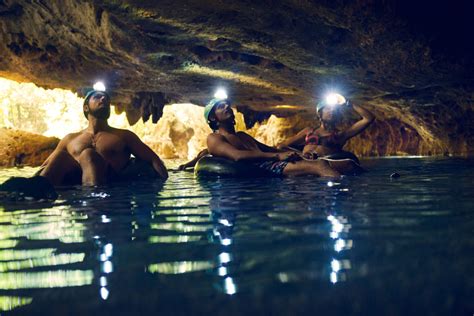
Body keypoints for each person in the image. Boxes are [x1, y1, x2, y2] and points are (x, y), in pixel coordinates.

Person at [38, 88, 168, 186]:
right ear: (86, 107)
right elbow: (46, 166)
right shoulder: (70, 139)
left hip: (108, 187)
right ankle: (34, 194)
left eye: (106, 98)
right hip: (76, 188)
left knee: (88, 155)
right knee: (60, 156)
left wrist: (163, 186)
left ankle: (94, 199)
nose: (104, 99)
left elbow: (153, 159)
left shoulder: (123, 136)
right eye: (97, 97)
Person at [204, 98, 340, 177]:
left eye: (227, 104)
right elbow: (237, 156)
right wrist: (276, 157)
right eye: (221, 107)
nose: (227, 106)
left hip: (267, 163)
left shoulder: (242, 136)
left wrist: (300, 154)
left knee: (318, 164)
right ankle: (340, 197)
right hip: (261, 167)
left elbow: (269, 148)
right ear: (212, 117)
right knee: (319, 166)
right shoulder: (214, 138)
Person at [278, 94, 374, 174]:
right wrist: (301, 155)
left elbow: (368, 118)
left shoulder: (341, 135)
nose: (332, 111)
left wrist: (348, 103)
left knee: (350, 164)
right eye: (328, 108)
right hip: (304, 162)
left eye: (334, 110)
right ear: (320, 113)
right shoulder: (309, 131)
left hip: (326, 164)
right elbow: (282, 146)